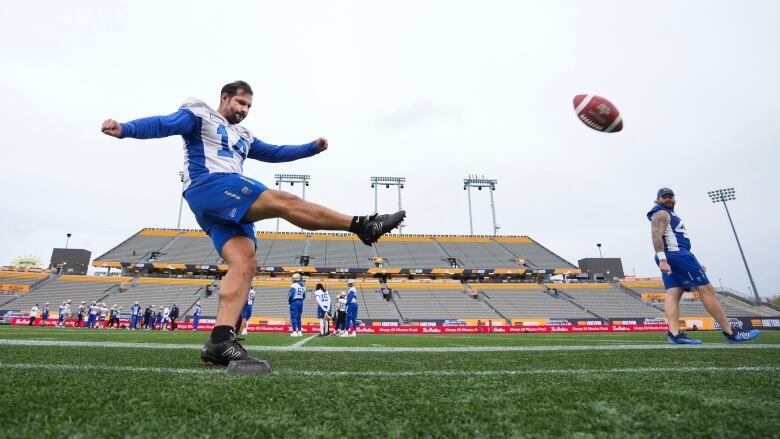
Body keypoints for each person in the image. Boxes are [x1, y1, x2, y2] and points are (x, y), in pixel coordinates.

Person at [102, 80, 406, 371]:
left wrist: (310, 148)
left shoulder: (244, 135)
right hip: (211, 185)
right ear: (224, 97)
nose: (244, 110)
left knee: (244, 262)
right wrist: (126, 129)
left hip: (219, 206)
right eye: (240, 102)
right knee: (283, 201)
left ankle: (220, 340)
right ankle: (362, 225)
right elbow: (164, 124)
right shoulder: (199, 114)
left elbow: (274, 152)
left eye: (249, 106)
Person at [648, 187, 760, 344]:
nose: (668, 199)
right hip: (676, 256)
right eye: (664, 197)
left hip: (677, 255)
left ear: (674, 198)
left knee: (674, 293)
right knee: (707, 289)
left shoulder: (669, 214)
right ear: (658, 199)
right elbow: (655, 235)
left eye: (670, 196)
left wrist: (693, 261)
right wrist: (663, 259)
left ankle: (674, 335)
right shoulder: (660, 213)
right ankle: (731, 333)